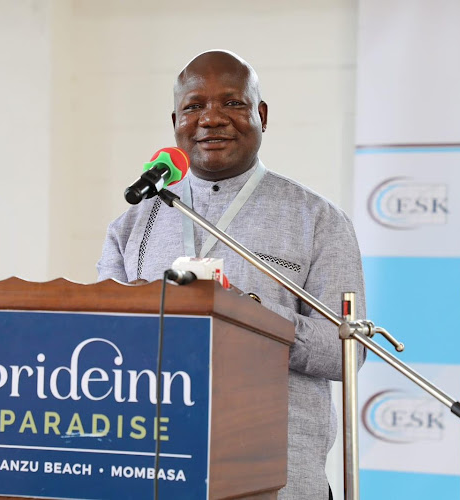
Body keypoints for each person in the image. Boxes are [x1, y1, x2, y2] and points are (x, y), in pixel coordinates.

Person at [97, 50, 365, 500]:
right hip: (153, 470)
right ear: (176, 121)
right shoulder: (132, 225)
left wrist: (253, 316)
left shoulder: (317, 219)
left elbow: (346, 356)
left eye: (233, 103)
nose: (212, 119)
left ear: (261, 114)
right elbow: (103, 346)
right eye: (195, 105)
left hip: (275, 476)